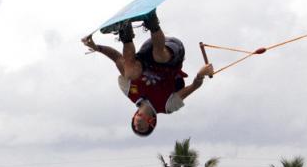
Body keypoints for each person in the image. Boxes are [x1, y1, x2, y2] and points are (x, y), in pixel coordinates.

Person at [82, 11, 214, 137]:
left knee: (130, 74)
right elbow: (194, 86)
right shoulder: (167, 106)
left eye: (135, 126)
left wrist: (97, 48)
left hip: (148, 50)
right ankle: (152, 20)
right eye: (143, 128)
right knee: (159, 56)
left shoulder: (129, 91)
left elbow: (117, 58)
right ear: (151, 122)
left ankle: (125, 30)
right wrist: (200, 75)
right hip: (173, 53)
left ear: (134, 118)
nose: (137, 126)